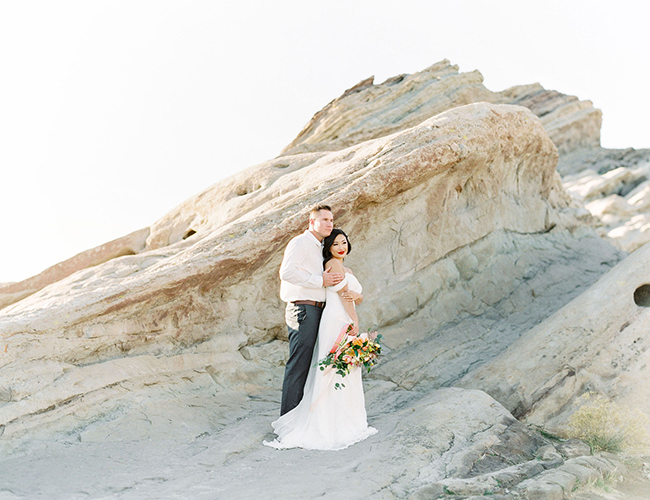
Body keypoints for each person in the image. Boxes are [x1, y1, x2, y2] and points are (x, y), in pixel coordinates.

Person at [265, 228, 377, 450]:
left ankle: (343, 419)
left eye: (343, 242)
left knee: (343, 368)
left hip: (342, 316)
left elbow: (355, 295)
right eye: (335, 244)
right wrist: (353, 319)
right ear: (328, 248)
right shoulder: (333, 265)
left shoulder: (347, 268)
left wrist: (359, 297)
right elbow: (344, 293)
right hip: (338, 318)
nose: (340, 247)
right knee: (333, 368)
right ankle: (329, 422)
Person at [277, 205, 344, 416]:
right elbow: (286, 272)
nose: (329, 223)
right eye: (324, 219)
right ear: (311, 222)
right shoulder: (301, 242)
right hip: (302, 309)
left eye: (331, 220)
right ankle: (287, 420)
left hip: (316, 310)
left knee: (311, 364)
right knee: (299, 364)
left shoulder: (318, 247)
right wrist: (319, 280)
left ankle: (302, 417)